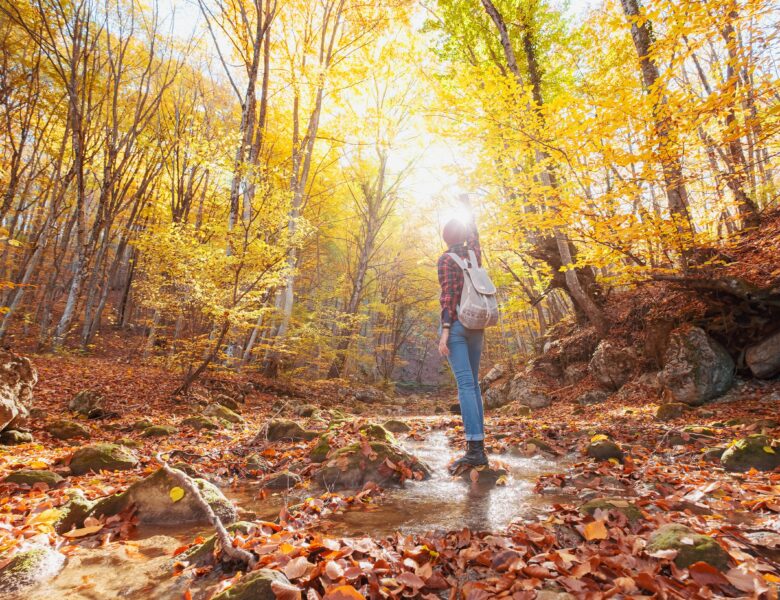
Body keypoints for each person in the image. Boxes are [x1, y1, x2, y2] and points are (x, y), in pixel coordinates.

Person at [437, 198, 488, 473]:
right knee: (475, 386)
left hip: (457, 325)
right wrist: (468, 209)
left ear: (447, 238)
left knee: (466, 386)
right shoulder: (474, 255)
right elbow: (475, 235)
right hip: (477, 325)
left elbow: (449, 296)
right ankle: (479, 448)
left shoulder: (446, 260)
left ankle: (474, 451)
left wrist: (445, 331)